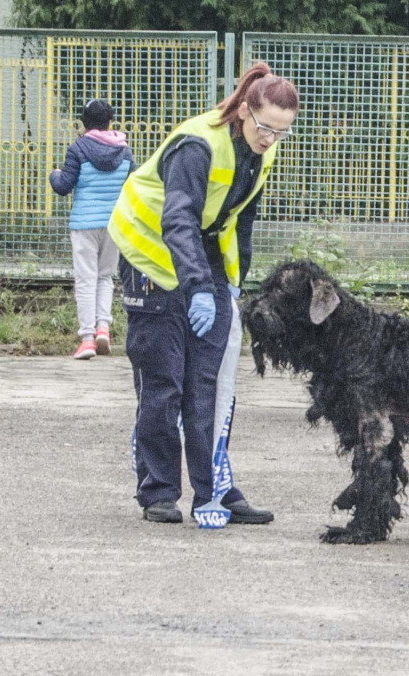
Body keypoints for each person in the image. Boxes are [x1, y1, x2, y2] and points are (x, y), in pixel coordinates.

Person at [108, 62, 299, 524]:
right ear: (244, 112)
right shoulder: (198, 145)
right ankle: (159, 491)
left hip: (201, 254)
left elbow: (242, 219)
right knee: (164, 379)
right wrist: (197, 288)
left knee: (209, 383)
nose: (270, 139)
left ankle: (212, 489)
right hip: (149, 253)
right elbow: (177, 218)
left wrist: (231, 281)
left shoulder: (261, 149)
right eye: (265, 128)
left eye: (282, 133)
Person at [49, 100, 135, 360]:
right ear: (110, 122)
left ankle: (87, 339)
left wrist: (54, 174)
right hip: (113, 224)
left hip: (84, 225)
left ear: (84, 124)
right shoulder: (125, 151)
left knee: (86, 279)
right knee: (105, 277)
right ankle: (104, 329)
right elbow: (132, 185)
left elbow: (64, 186)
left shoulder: (79, 148)